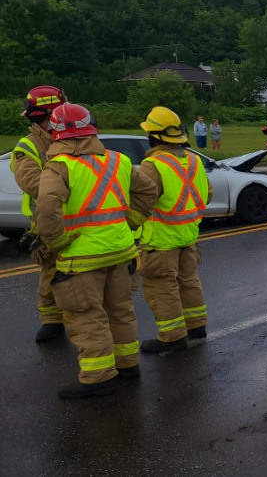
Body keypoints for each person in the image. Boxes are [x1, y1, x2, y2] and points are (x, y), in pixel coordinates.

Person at [36, 103, 157, 399]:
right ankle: (128, 364)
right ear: (92, 129)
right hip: (121, 250)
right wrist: (131, 221)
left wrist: (55, 244)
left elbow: (47, 209)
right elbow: (148, 190)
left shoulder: (59, 167)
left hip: (81, 257)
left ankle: (98, 377)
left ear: (55, 133)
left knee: (87, 316)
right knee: (120, 310)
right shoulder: (118, 160)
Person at [137, 106, 212, 353]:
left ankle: (172, 336)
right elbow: (208, 194)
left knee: (162, 288)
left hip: (161, 240)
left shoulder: (152, 165)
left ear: (153, 136)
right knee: (189, 281)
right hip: (188, 236)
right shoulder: (194, 160)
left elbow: (141, 203)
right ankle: (197, 326)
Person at [11, 86, 68, 342]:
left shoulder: (68, 137)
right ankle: (52, 321)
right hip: (48, 220)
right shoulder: (28, 146)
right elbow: (32, 183)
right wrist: (68, 188)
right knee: (51, 272)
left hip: (81, 219)